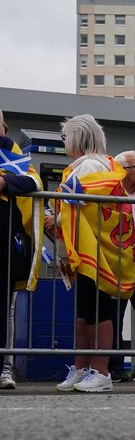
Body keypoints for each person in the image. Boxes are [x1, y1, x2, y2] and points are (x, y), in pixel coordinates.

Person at [52, 114, 117, 392]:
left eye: (67, 138)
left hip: (95, 247)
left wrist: (55, 217)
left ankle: (100, 371)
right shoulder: (90, 164)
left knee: (96, 311)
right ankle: (82, 368)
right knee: (85, 312)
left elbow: (74, 203)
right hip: (86, 247)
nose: (65, 144)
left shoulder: (91, 164)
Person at [0, 112, 40, 391]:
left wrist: (4, 183)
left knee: (5, 310)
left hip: (5, 244)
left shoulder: (10, 150)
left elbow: (34, 182)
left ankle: (4, 367)